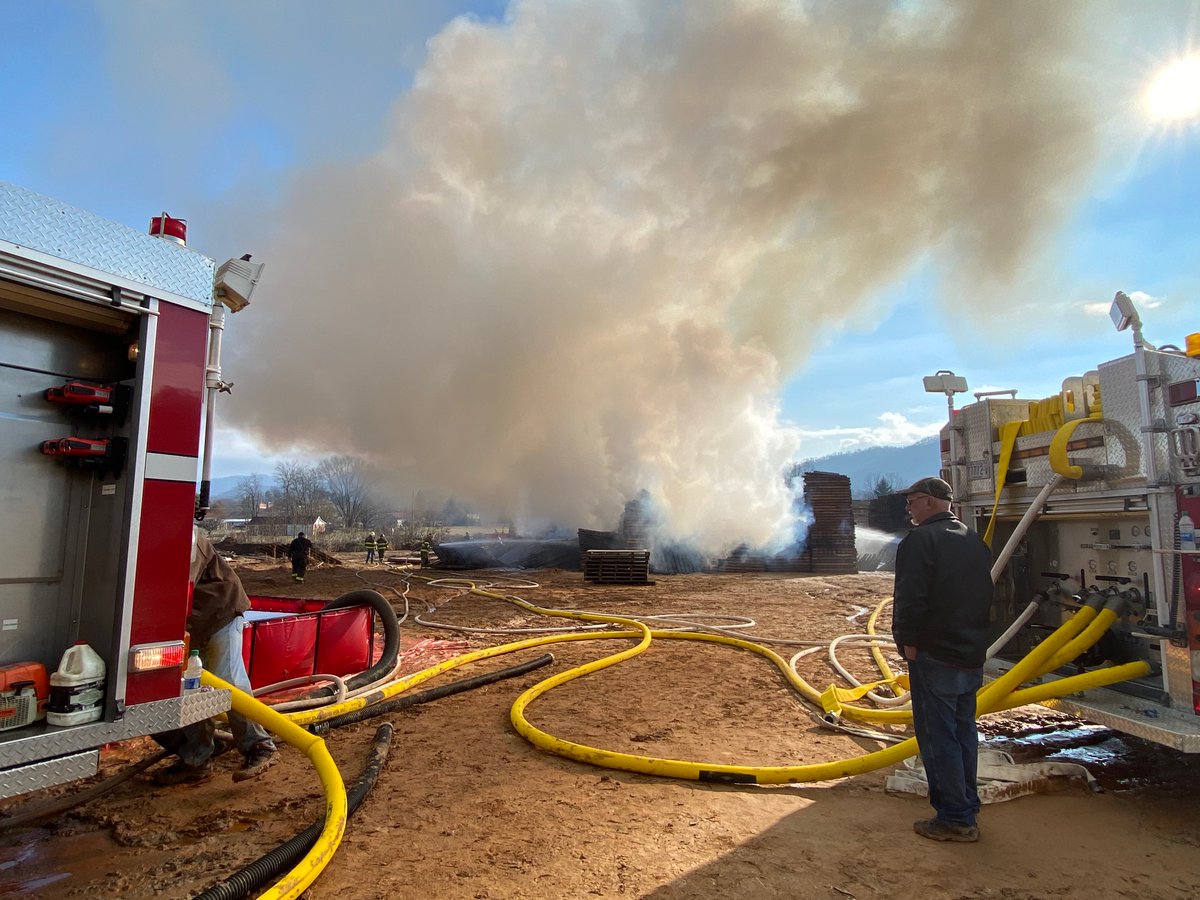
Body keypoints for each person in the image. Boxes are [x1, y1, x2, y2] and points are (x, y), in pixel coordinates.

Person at [891, 476, 993, 843]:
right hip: (969, 654)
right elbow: (986, 595)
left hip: (934, 653)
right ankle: (967, 805)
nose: (908, 507)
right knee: (964, 731)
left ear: (931, 502)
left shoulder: (920, 541)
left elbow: (911, 599)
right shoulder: (972, 540)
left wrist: (908, 642)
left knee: (938, 736)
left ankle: (954, 818)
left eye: (913, 500)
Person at [154, 529, 277, 785]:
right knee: (192, 689)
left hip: (220, 613)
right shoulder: (159, 539)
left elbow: (179, 589)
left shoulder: (188, 538)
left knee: (228, 682)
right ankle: (197, 759)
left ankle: (260, 747)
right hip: (193, 625)